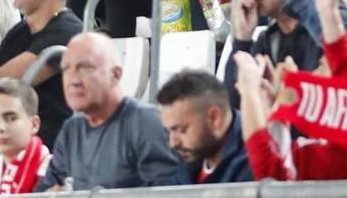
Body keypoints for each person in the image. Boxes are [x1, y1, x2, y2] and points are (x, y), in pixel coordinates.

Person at [43, 34, 189, 189]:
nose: (73, 80)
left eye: (85, 67)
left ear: (115, 75)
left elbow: (168, 194)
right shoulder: (71, 130)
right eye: (66, 69)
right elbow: (44, 191)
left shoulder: (145, 122)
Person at [155, 69, 252, 183]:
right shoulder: (193, 153)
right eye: (169, 131)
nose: (173, 143)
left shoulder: (253, 164)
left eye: (182, 130)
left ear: (215, 118)